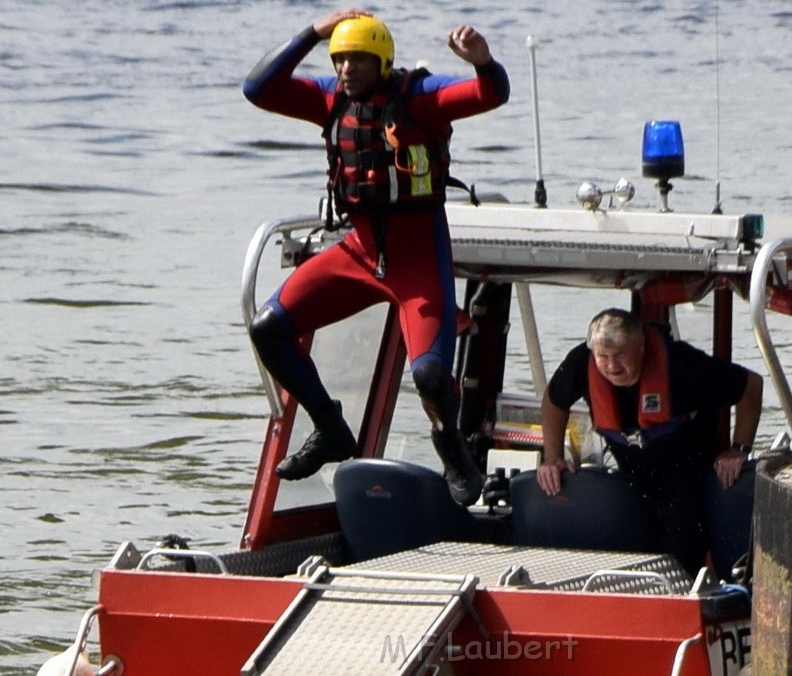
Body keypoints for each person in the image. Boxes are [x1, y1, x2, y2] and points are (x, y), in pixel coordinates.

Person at [243, 9, 510, 505]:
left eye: (358, 61)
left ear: (382, 61)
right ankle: (330, 428)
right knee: (268, 327)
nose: (346, 70)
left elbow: (490, 94)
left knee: (429, 374)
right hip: (358, 252)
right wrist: (312, 33)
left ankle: (452, 449)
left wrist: (484, 62)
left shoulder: (420, 101)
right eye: (340, 60)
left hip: (417, 259)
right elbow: (257, 88)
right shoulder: (328, 99)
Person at [535, 308, 763, 574]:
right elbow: (553, 403)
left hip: (687, 478)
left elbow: (752, 387)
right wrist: (552, 457)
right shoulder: (580, 364)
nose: (611, 366)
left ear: (641, 346)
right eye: (603, 357)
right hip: (630, 477)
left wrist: (738, 449)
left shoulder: (683, 365)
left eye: (620, 354)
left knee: (679, 555)